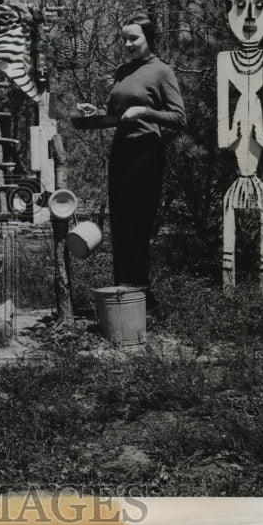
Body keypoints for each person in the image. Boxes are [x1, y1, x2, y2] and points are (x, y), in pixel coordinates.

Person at [78, 15, 186, 313]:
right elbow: (116, 114)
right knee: (121, 226)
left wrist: (145, 112)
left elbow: (179, 118)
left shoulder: (162, 71)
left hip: (146, 153)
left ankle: (144, 302)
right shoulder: (123, 71)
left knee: (138, 227)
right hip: (121, 152)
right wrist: (95, 111)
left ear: (149, 39)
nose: (127, 44)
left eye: (133, 38)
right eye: (124, 39)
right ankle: (123, 297)